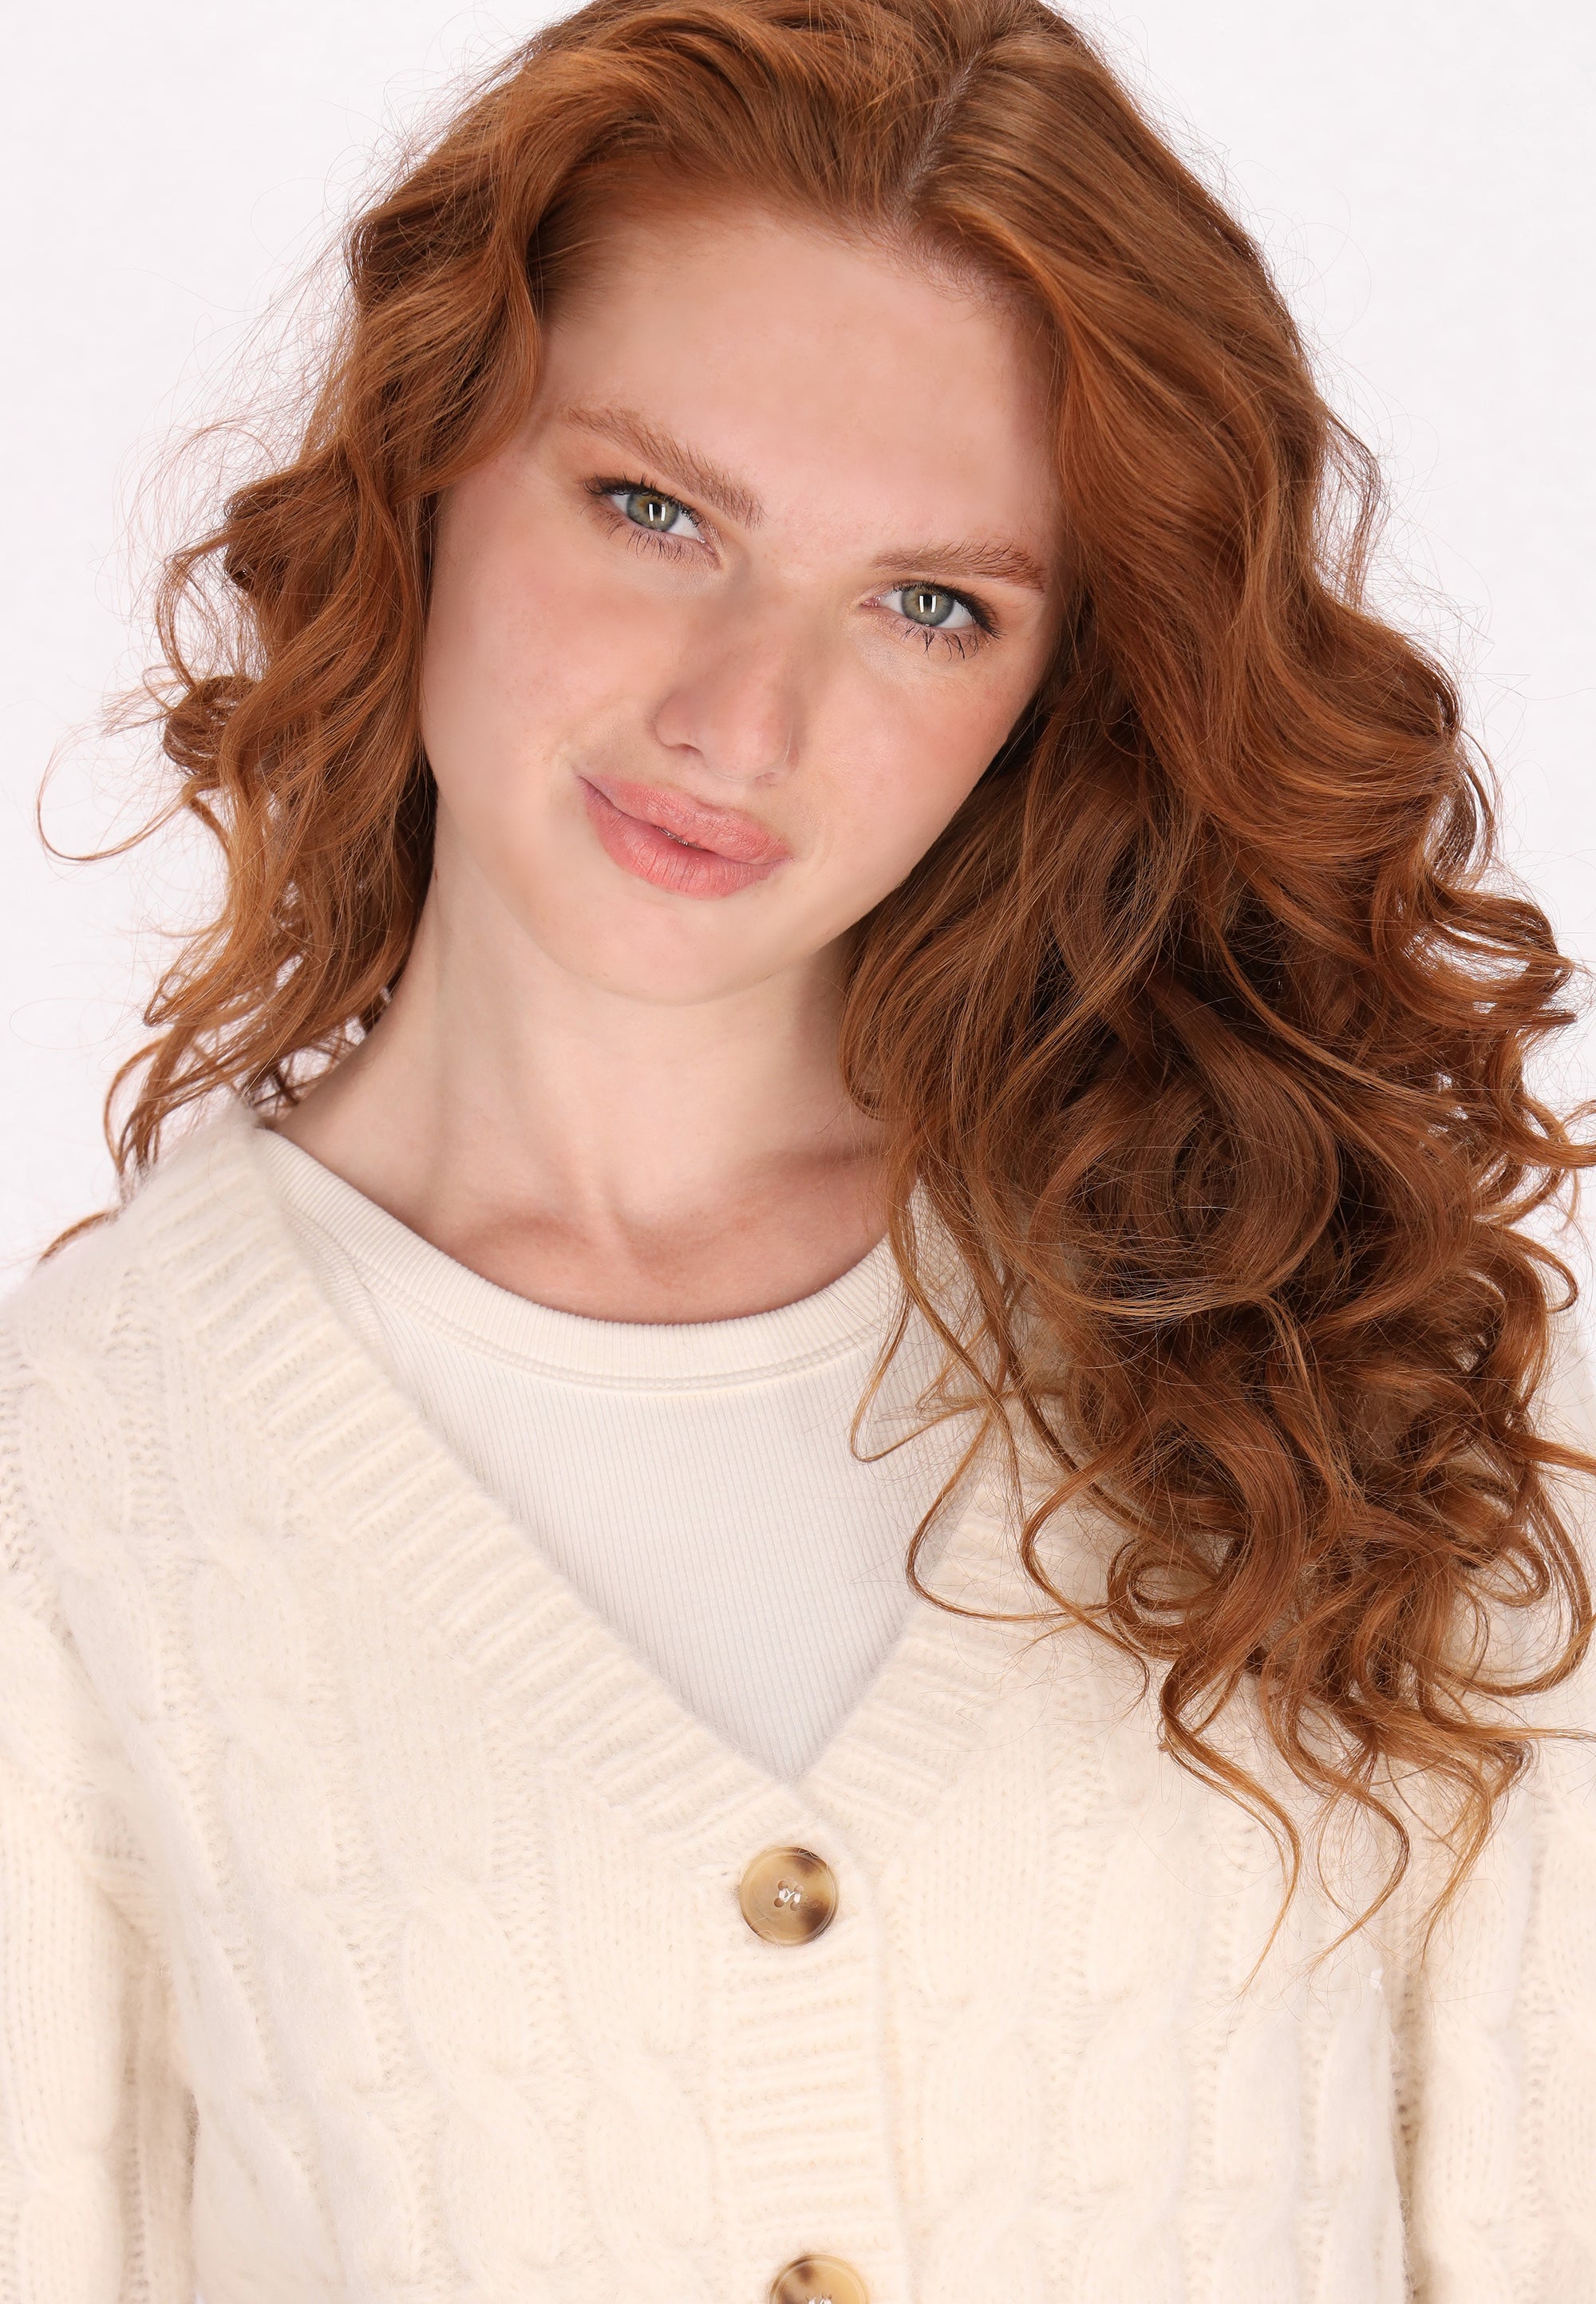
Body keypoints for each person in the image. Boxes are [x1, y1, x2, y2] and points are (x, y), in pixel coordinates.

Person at [3, 0, 1594, 2294]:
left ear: (1054, 685)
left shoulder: (1362, 1357)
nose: (740, 721)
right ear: (428, 461)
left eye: (930, 605)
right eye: (655, 511)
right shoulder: (75, 1491)